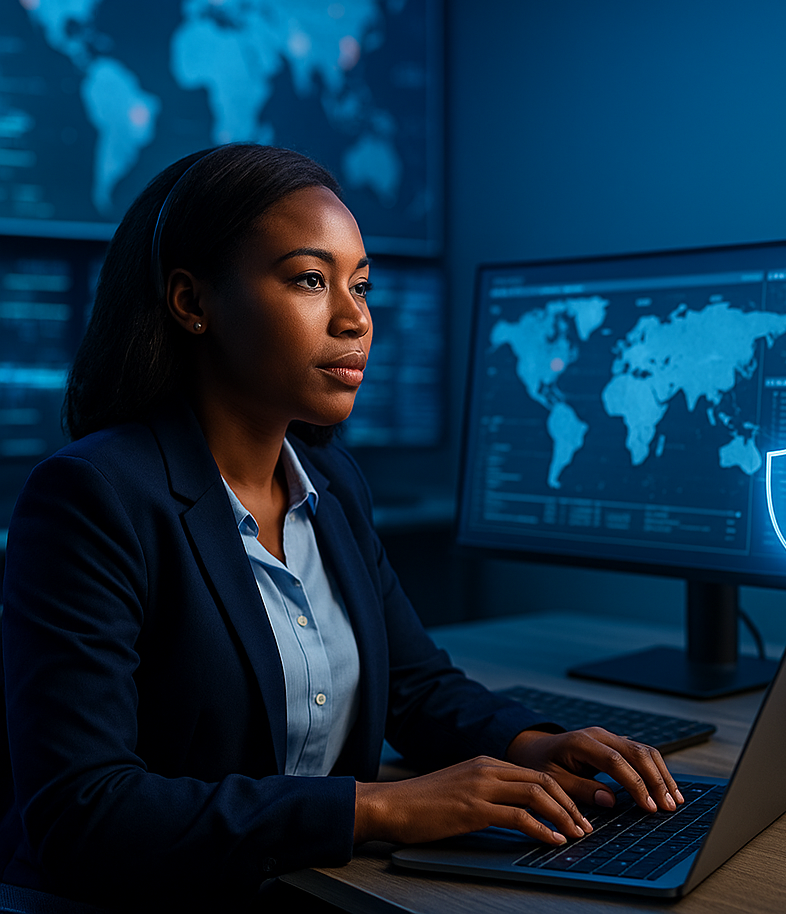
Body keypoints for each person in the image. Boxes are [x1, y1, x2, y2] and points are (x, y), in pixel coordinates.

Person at [0, 145, 682, 910]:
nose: (356, 317)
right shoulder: (91, 497)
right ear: (192, 301)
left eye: (360, 284)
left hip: (299, 888)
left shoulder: (332, 483)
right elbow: (82, 812)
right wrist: (381, 807)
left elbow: (415, 685)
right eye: (310, 280)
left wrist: (534, 742)